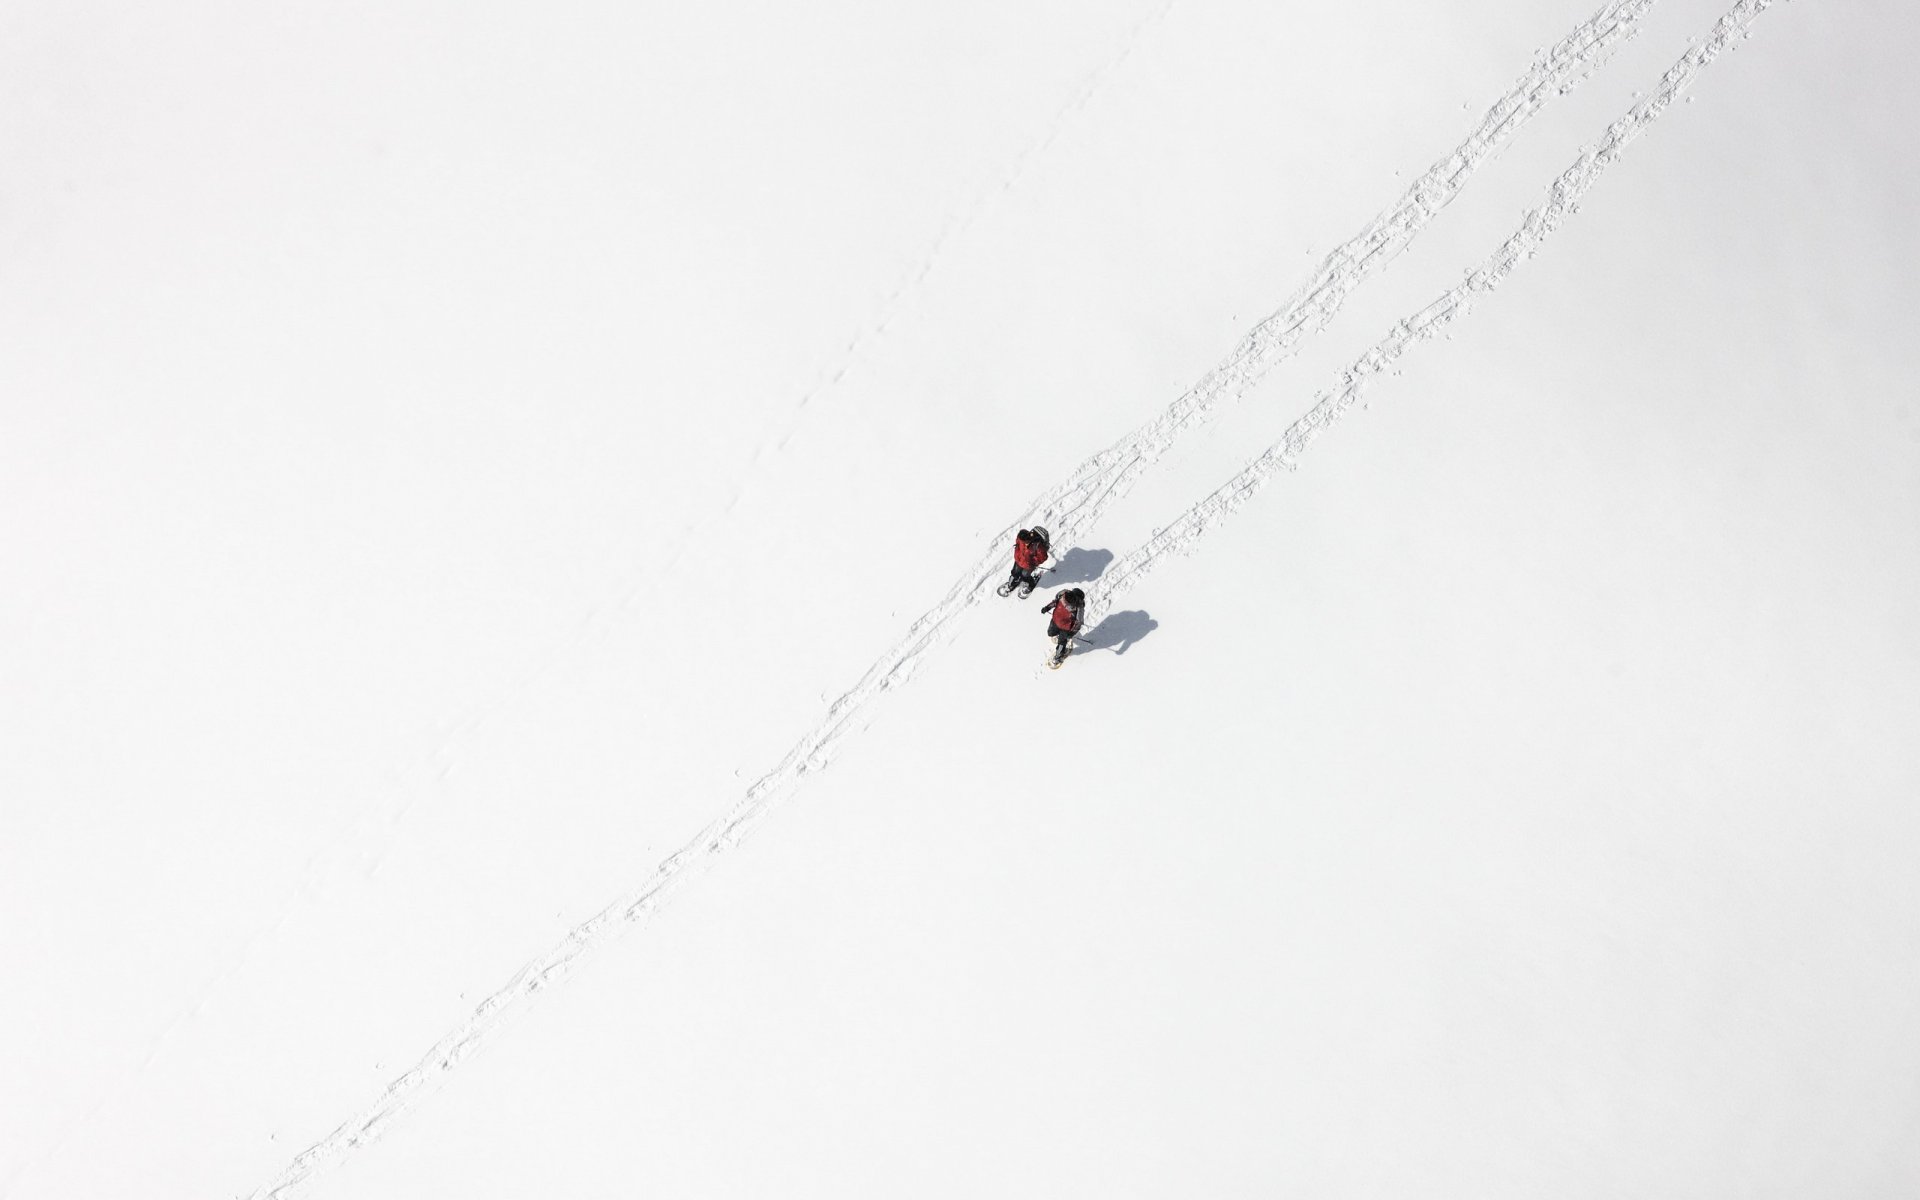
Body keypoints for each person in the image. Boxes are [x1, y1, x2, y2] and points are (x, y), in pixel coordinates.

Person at [997, 526, 1051, 598]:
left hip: (1028, 566)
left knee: (1025, 576)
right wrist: (1017, 554)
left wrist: (1033, 562)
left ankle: (1030, 584)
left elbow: (1043, 557)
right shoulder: (1020, 538)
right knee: (1014, 573)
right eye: (1024, 541)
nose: (1025, 543)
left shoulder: (1037, 545)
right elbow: (1017, 545)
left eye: (1027, 541)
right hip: (1018, 561)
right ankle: (1012, 583)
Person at [1040, 586, 1085, 666]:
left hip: (1066, 628)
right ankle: (1060, 639)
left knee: (1062, 642)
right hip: (1055, 620)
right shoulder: (1063, 595)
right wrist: (1047, 608)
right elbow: (1055, 602)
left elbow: (1079, 622)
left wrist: (1071, 632)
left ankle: (1058, 656)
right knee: (1050, 633)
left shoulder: (1078, 607)